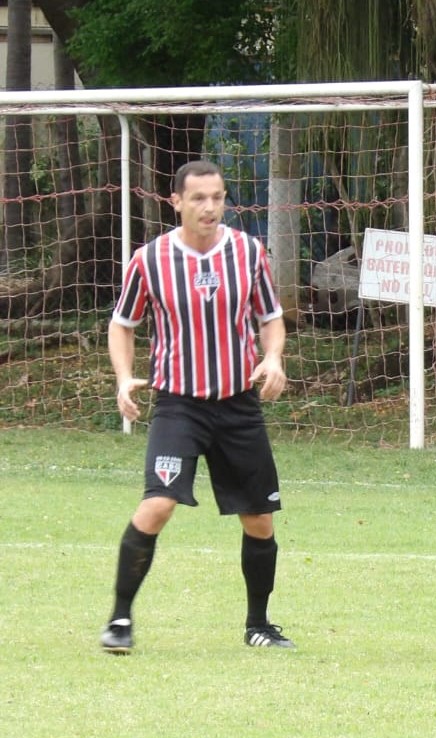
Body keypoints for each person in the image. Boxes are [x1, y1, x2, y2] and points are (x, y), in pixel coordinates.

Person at [100, 159, 296, 654]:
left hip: (238, 405)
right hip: (179, 407)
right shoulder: (150, 259)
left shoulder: (249, 253)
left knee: (259, 519)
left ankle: (259, 624)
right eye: (199, 198)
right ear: (177, 203)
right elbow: (122, 324)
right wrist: (123, 379)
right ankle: (120, 619)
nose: (211, 207)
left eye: (218, 197)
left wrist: (272, 358)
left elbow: (271, 318)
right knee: (158, 505)